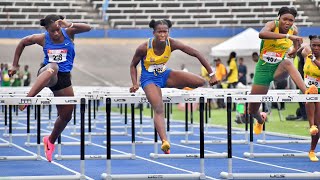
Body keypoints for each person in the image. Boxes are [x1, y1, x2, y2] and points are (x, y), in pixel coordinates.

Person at [8, 14, 91, 162]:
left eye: (58, 30)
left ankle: (50, 140)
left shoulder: (68, 32)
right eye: (52, 31)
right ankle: (28, 99)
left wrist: (67, 24)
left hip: (64, 78)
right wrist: (15, 64)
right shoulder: (42, 38)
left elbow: (88, 28)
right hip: (47, 73)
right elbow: (22, 42)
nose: (56, 33)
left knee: (66, 115)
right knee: (53, 67)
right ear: (47, 30)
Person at [129, 19, 217, 154]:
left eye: (165, 32)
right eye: (160, 32)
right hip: (149, 80)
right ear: (154, 33)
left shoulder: (172, 43)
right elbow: (132, 65)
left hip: (165, 75)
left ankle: (181, 86)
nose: (163, 35)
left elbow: (196, 53)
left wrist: (212, 74)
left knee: (200, 82)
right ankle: (165, 141)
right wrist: (135, 83)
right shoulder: (144, 47)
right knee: (159, 108)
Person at [249, 7, 317, 135]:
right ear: (278, 18)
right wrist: (287, 36)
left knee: (287, 62)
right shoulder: (271, 25)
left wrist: (294, 50)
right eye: (285, 19)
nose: (287, 22)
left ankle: (306, 92)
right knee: (252, 110)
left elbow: (296, 42)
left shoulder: (294, 30)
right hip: (263, 68)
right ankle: (260, 119)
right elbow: (261, 34)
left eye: (291, 20)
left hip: (279, 68)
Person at [300, 35, 320, 162]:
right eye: (314, 45)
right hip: (307, 89)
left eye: (319, 46)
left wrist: (314, 60)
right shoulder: (307, 51)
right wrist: (293, 50)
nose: (316, 48)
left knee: (318, 127)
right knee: (310, 94)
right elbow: (301, 47)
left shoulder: (313, 56)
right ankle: (311, 125)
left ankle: (312, 150)